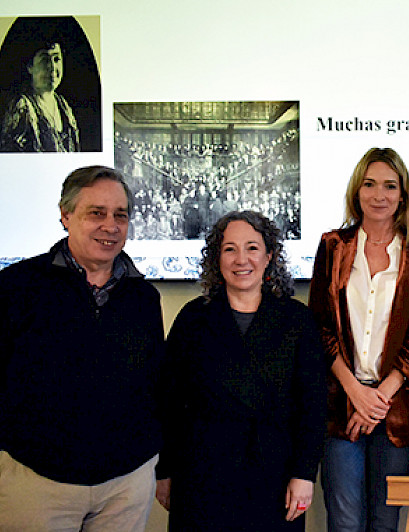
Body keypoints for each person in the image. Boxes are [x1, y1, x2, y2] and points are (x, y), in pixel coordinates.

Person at [0, 165, 165, 530]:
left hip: (125, 486)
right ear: (65, 215)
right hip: (37, 481)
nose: (110, 226)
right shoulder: (16, 287)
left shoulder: (143, 297)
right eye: (97, 213)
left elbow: (155, 386)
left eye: (120, 215)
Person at [156, 211, 326, 531]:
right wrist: (164, 471)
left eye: (252, 247)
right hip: (202, 478)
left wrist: (304, 474)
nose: (241, 259)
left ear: (269, 256)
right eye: (229, 249)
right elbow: (169, 403)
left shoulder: (296, 320)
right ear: (216, 259)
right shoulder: (193, 319)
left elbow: (313, 407)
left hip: (275, 477)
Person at [309, 147, 409, 532]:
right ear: (357, 190)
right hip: (341, 404)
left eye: (389, 185)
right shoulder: (333, 246)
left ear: (403, 194)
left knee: (384, 523)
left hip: (395, 408)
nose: (379, 195)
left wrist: (378, 399)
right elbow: (321, 328)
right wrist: (356, 393)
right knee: (345, 522)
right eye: (370, 184)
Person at [0, 39, 79, 152]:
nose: (52, 67)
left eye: (56, 59)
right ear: (30, 67)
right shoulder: (22, 108)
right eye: (45, 60)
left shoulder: (63, 106)